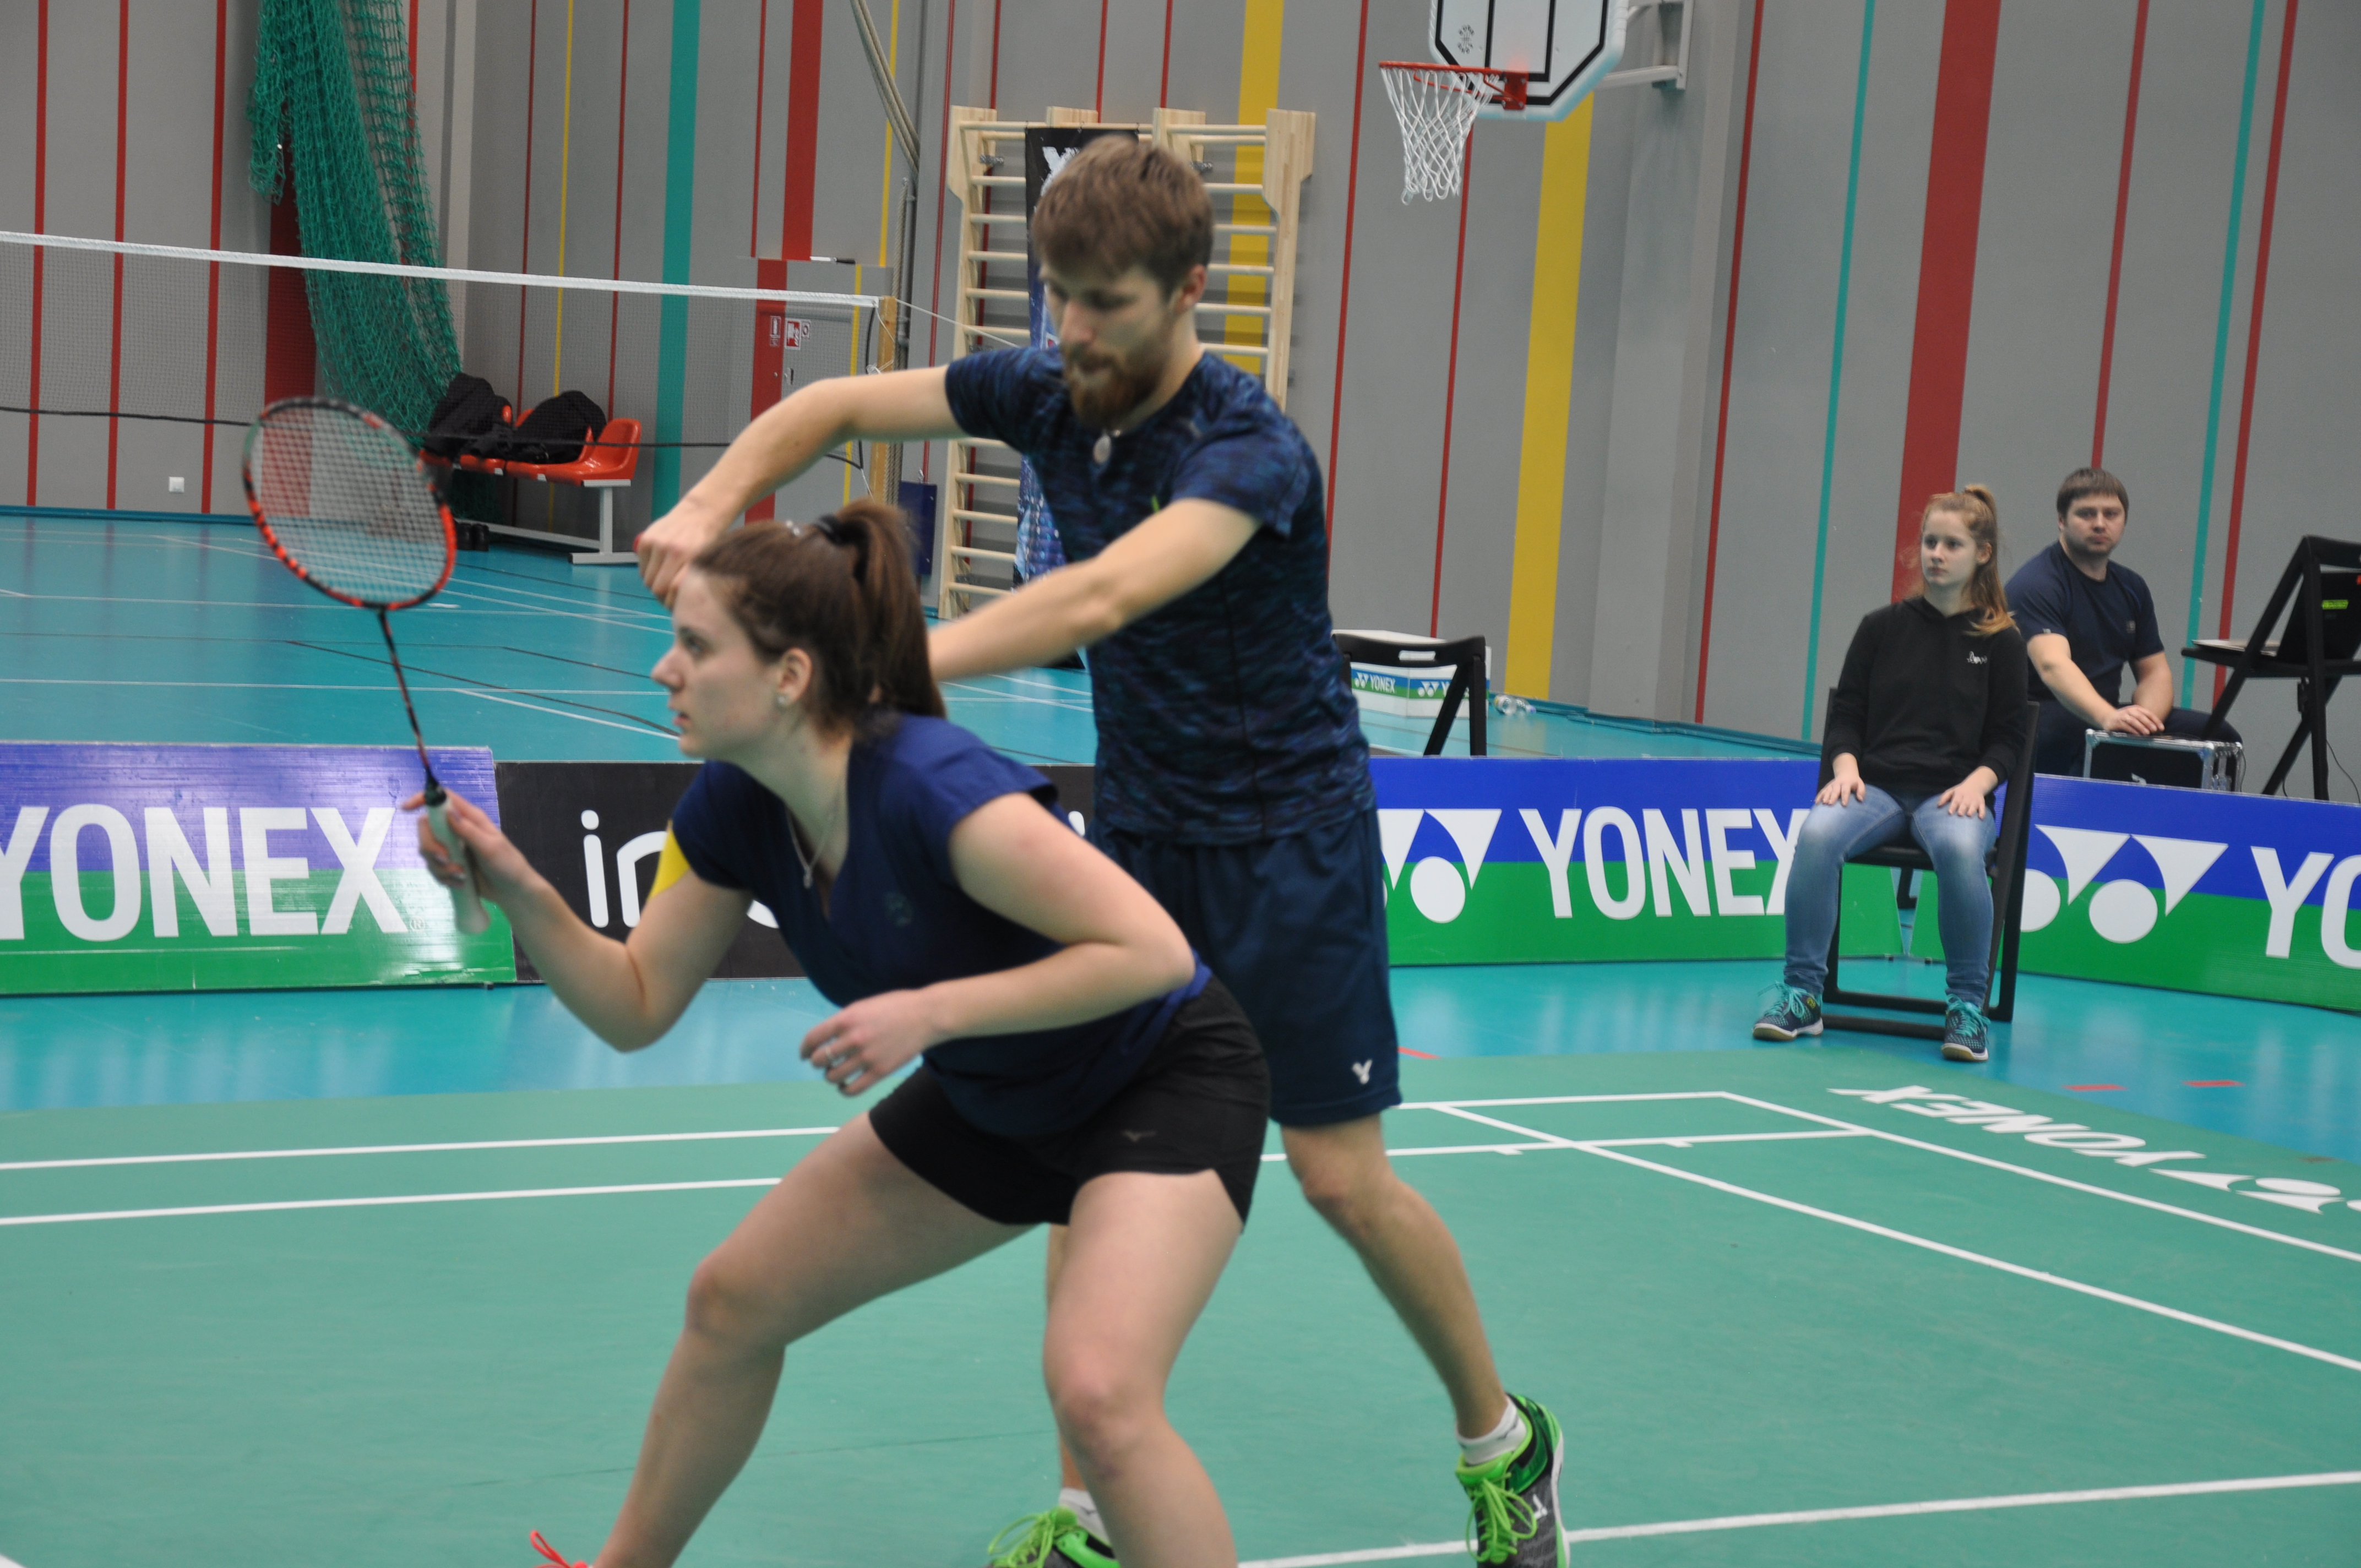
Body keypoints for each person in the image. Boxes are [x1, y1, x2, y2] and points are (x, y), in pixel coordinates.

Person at [635, 139, 1564, 1568]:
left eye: (1106, 303)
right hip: (1138, 833)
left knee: (1339, 1180)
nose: (1072, 330)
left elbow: (1104, 595)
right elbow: (832, 404)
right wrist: (708, 508)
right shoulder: (1049, 386)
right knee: (1087, 1146)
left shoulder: (1247, 450)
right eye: (1056, 295)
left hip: (1287, 844)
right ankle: (1090, 1522)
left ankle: (1502, 1441)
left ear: (1188, 289)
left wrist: (889, 666)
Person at [415, 500, 1271, 1568]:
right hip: (999, 1097)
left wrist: (933, 1010)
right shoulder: (734, 805)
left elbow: (1151, 952)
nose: (663, 670)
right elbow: (634, 1005)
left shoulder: (932, 786)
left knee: (1099, 1394)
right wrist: (519, 885)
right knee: (732, 1300)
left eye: (694, 646)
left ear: (789, 675)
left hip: (1158, 1081)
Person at [1753, 487, 2032, 1064]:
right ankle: (1803, 995)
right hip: (1873, 789)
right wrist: (1845, 767)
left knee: (1960, 851)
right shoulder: (1880, 628)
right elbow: (1847, 714)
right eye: (1930, 542)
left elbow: (2009, 738)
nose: (1937, 554)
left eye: (1951, 544)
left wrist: (1979, 784)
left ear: (1981, 554)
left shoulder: (2002, 641)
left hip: (1953, 796)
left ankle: (1967, 1008)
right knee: (1817, 834)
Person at [2005, 467, 2239, 777]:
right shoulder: (2037, 583)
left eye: (2111, 514)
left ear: (2124, 521)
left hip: (2105, 715)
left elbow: (2154, 673)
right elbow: (2053, 665)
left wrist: (2144, 723)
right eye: (2086, 514)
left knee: (2219, 737)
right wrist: (2107, 718)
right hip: (2042, 715)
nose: (2100, 523)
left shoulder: (2132, 587)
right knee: (2086, 742)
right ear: (2062, 520)